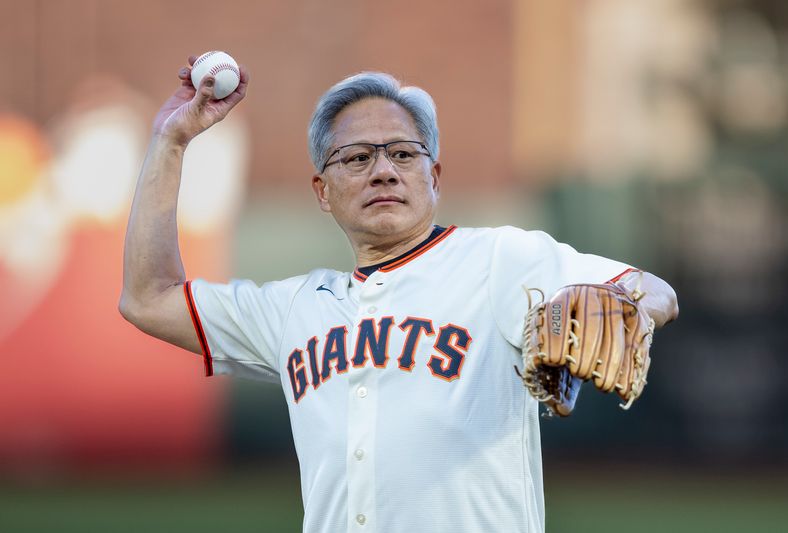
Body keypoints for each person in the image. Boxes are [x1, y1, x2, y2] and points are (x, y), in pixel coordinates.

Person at [120, 56, 679, 533]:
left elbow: (653, 291)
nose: (383, 170)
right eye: (357, 158)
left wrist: (626, 307)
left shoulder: (499, 261)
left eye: (403, 154)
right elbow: (149, 298)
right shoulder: (294, 309)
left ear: (434, 177)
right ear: (323, 191)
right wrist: (170, 141)